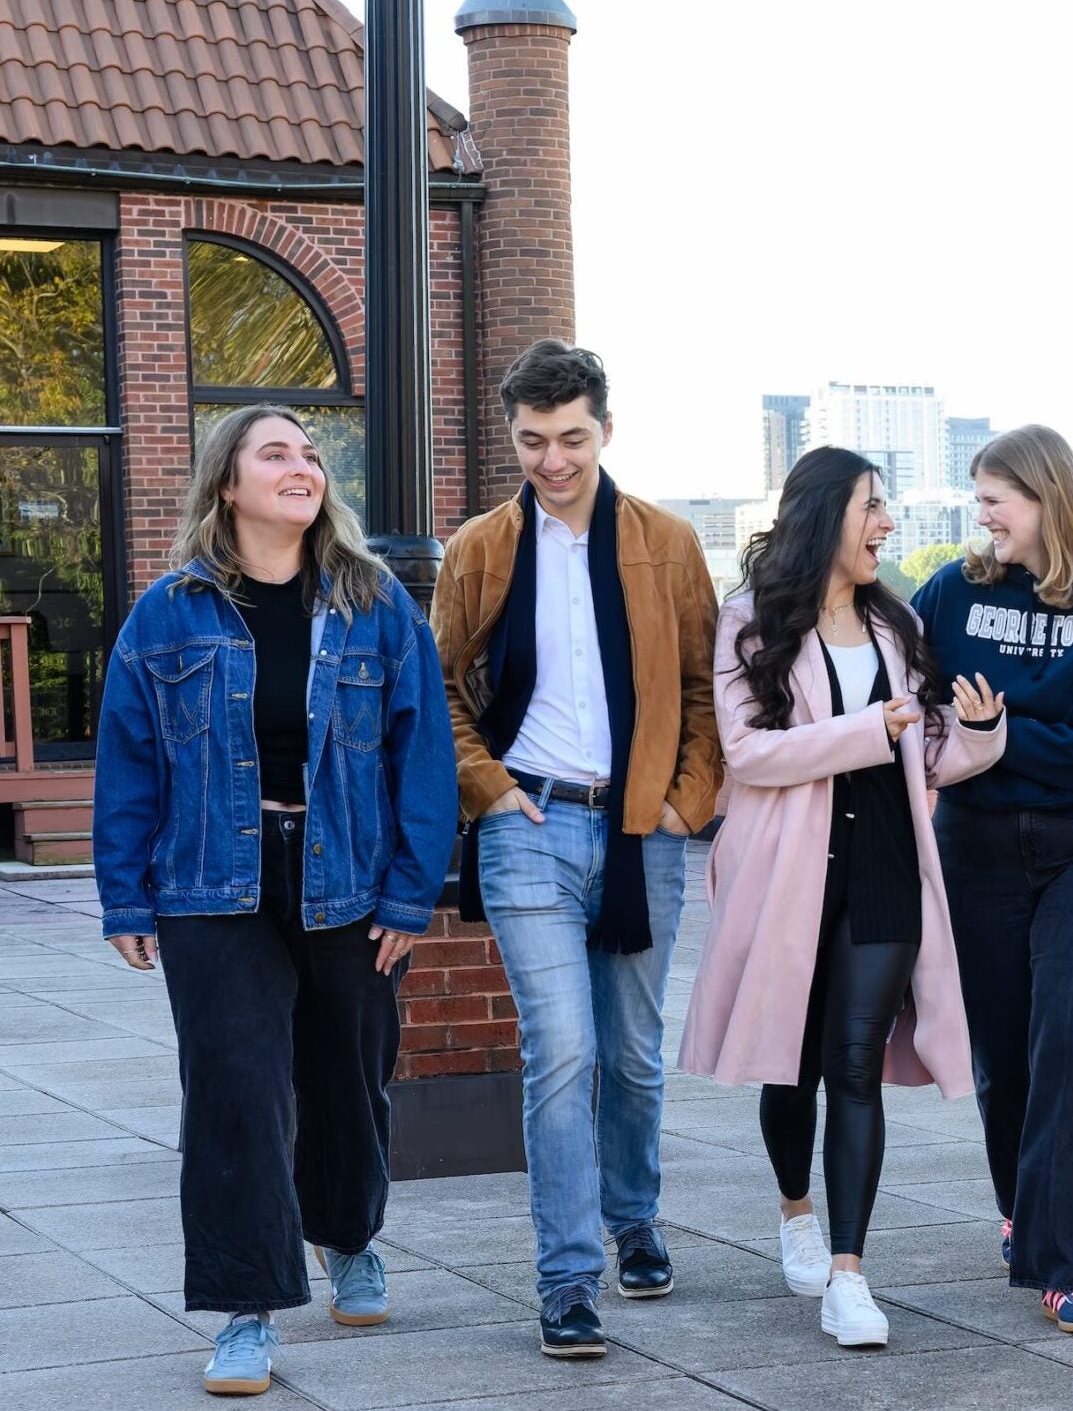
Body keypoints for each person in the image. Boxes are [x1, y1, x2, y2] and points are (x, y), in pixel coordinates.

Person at [93, 405, 456, 1397]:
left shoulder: (375, 600)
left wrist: (410, 893)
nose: (303, 465)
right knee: (233, 1092)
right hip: (213, 881)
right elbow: (129, 759)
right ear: (228, 483)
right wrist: (125, 896)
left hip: (349, 877)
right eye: (275, 453)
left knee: (349, 1075)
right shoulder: (168, 612)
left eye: (309, 453)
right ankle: (244, 1307)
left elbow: (423, 755)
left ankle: (346, 1236)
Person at [677, 447, 1005, 1348]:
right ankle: (797, 1213)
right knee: (793, 1064)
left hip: (886, 863)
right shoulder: (751, 621)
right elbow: (749, 754)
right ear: (826, 515)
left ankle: (850, 1277)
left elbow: (922, 751)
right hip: (790, 870)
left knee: (855, 1062)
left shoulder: (896, 622)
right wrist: (868, 730)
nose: (887, 523)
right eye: (872, 506)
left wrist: (977, 735)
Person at [433, 340, 721, 1359]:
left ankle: (633, 1214)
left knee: (632, 1053)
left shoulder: (668, 542)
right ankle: (566, 1278)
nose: (551, 460)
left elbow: (705, 687)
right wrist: (492, 790)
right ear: (510, 436)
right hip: (531, 825)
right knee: (561, 1049)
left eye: (570, 438)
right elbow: (441, 689)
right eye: (531, 441)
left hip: (643, 827)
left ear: (605, 429)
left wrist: (685, 802)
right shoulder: (479, 548)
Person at [910, 425, 1073, 1334]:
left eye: (993, 500)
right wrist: (974, 743)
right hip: (976, 843)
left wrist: (999, 738)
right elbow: (920, 713)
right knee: (1005, 1053)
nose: (981, 516)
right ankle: (1024, 1212)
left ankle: (1069, 1265)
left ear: (1045, 496)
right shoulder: (952, 592)